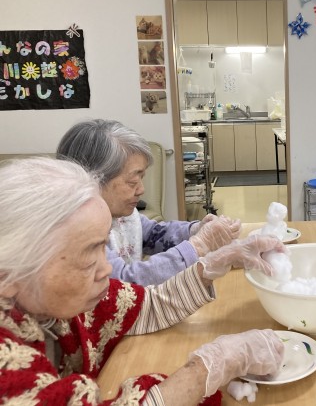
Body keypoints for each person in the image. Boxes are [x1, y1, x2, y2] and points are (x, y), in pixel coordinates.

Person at [0, 157, 285, 404]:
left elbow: (148, 306)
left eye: (104, 247)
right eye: (89, 253)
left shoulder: (52, 301)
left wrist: (215, 262)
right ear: (9, 272)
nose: (106, 268)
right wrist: (210, 368)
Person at [57, 119, 251, 286]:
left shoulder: (120, 215)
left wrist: (196, 230)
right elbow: (124, 284)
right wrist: (198, 246)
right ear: (90, 180)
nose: (141, 190)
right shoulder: (77, 232)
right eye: (132, 181)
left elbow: (153, 234)